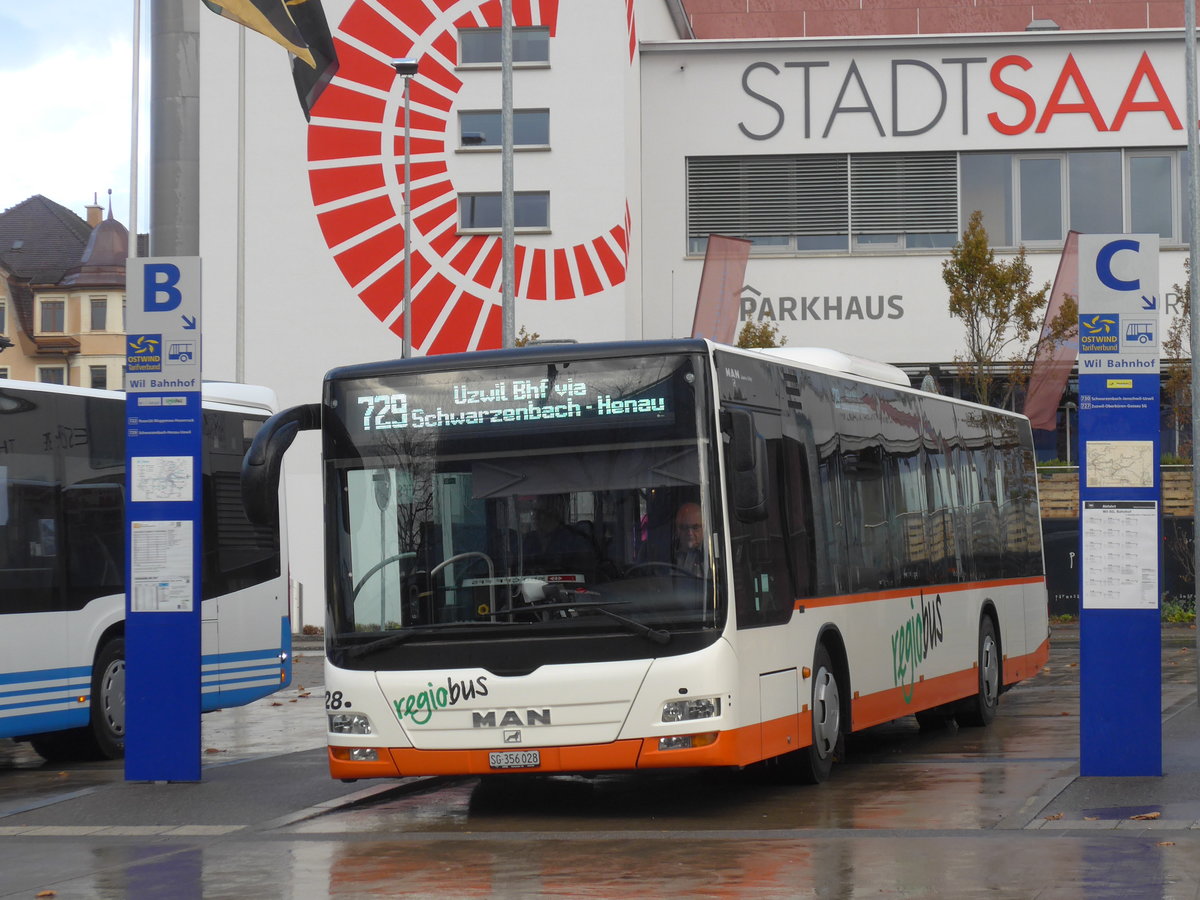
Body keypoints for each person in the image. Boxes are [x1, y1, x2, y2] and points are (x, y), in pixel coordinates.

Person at [672, 501, 706, 576]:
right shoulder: (668, 554)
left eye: (695, 527)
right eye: (684, 527)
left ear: (704, 528)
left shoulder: (712, 555)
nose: (690, 533)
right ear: (677, 529)